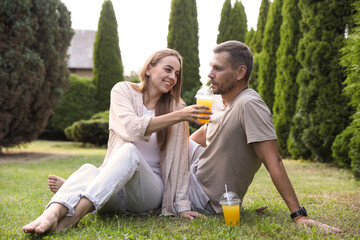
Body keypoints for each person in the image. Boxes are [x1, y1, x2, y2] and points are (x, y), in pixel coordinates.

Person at [22, 49, 208, 234]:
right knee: (89, 169)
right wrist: (180, 116)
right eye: (168, 69)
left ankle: (74, 215)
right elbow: (131, 128)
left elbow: (180, 161)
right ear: (149, 69)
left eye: (176, 73)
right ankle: (51, 214)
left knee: (129, 152)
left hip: (147, 191)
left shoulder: (177, 107)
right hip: (112, 189)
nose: (173, 77)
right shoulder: (123, 90)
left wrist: (182, 205)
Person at [186, 40, 342, 233]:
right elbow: (205, 132)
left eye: (218, 68)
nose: (210, 74)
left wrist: (299, 215)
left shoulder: (249, 105)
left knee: (140, 162)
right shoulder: (217, 100)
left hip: (204, 196)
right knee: (156, 144)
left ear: (240, 72)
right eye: (211, 67)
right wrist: (177, 154)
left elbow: (273, 161)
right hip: (191, 173)